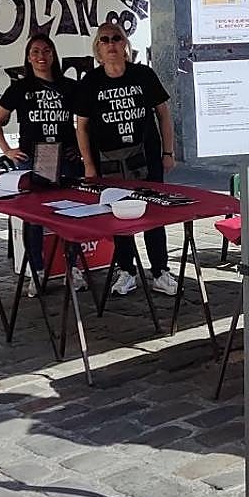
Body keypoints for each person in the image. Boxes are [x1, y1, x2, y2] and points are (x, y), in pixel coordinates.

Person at [74, 20, 178, 296]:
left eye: (116, 38)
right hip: (109, 162)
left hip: (147, 158)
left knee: (154, 215)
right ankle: (126, 270)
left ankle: (160, 271)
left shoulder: (143, 75)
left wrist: (168, 152)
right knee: (118, 216)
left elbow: (164, 114)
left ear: (125, 44)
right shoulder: (91, 82)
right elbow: (81, 126)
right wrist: (88, 164)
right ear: (98, 48)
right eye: (105, 40)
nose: (111, 44)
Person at [0, 33, 86, 294]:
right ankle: (36, 270)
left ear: (53, 55)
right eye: (35, 52)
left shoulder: (70, 87)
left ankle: (73, 268)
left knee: (71, 214)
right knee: (33, 218)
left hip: (65, 160)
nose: (41, 57)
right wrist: (7, 150)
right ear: (28, 58)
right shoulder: (19, 88)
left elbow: (86, 122)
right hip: (33, 160)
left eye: (46, 51)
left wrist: (82, 150)